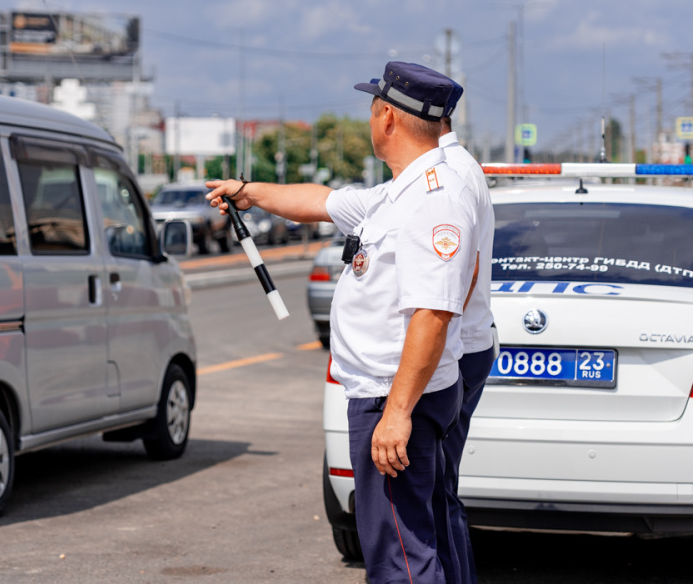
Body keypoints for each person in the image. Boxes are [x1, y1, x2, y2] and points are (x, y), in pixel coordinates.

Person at [206, 61, 479, 583]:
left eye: (372, 109)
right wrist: (249, 191)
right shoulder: (403, 190)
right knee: (410, 542)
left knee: (400, 557)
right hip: (389, 392)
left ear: (387, 118)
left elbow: (434, 313)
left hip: (394, 397)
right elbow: (323, 202)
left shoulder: (432, 199)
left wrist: (397, 414)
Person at [437, 110, 496, 584]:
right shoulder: (453, 168)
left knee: (437, 490)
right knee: (438, 487)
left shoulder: (448, 176)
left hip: (453, 350)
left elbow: (461, 271)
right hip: (461, 346)